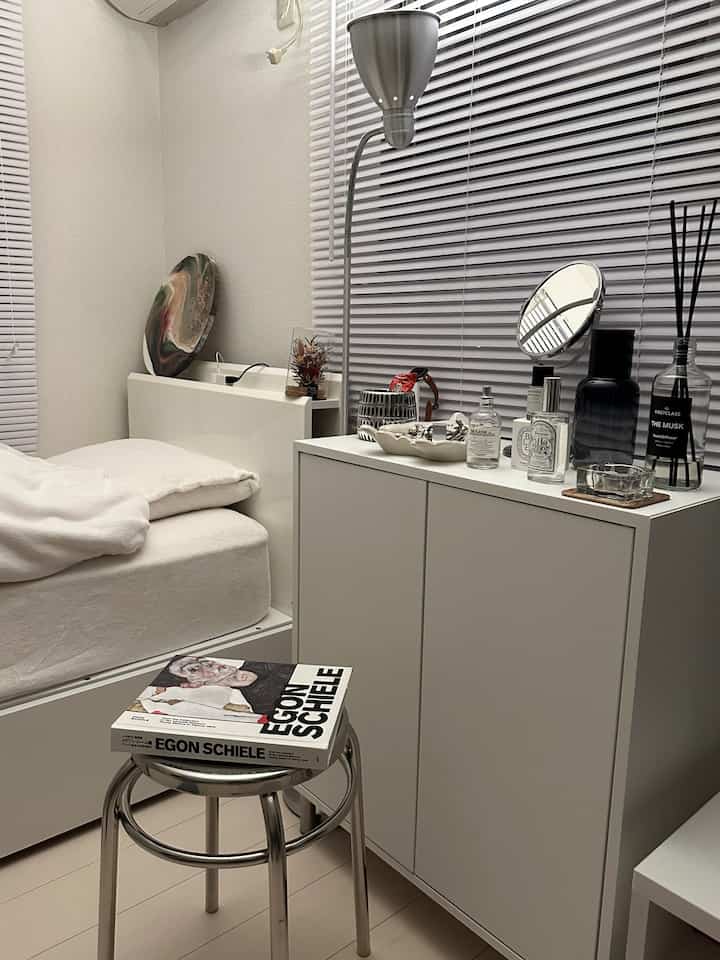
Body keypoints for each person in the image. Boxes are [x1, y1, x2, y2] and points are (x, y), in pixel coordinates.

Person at [135, 656, 294, 721]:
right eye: (194, 669)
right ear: (193, 684)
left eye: (201, 660)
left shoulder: (262, 659)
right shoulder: (262, 706)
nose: (208, 664)